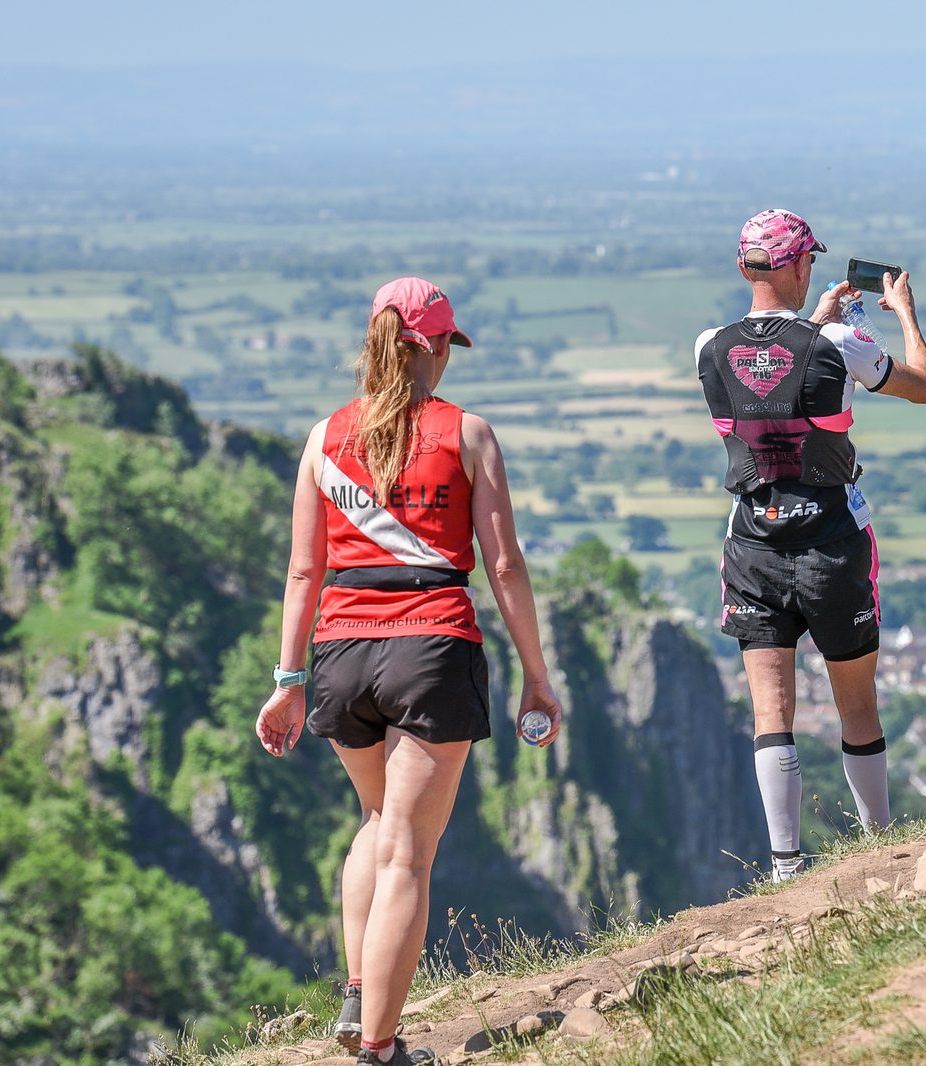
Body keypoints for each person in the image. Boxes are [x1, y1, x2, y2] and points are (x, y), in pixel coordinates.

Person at [255, 278, 562, 1065]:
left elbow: (302, 572)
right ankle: (380, 1048)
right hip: (431, 646)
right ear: (430, 346)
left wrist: (288, 684)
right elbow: (504, 563)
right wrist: (535, 673)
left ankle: (361, 994)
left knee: (377, 825)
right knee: (406, 854)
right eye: (447, 347)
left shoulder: (325, 438)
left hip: (341, 654)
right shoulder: (467, 434)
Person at [694, 210, 926, 883]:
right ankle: (880, 851)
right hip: (832, 540)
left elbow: (766, 363)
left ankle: (784, 864)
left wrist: (815, 318)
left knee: (772, 711)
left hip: (752, 543)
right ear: (799, 265)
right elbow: (921, 386)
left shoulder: (708, 345)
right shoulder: (843, 345)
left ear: (746, 268)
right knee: (857, 703)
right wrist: (905, 315)